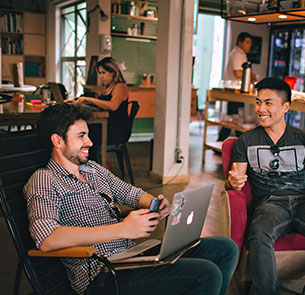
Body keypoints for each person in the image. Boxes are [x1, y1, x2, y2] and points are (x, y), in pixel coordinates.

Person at [24, 103, 239, 295]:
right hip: (101, 274)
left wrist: (155, 204)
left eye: (87, 134)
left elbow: (130, 193)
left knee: (225, 248)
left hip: (130, 257)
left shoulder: (92, 170)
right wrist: (122, 229)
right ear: (57, 140)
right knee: (206, 274)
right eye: (81, 136)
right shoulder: (44, 179)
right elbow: (47, 239)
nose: (89, 141)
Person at [226, 77, 305, 295]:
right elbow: (236, 177)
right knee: (260, 233)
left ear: (285, 107)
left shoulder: (304, 139)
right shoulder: (247, 140)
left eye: (268, 103)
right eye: (258, 102)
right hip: (270, 203)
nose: (261, 109)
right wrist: (233, 182)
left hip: (304, 201)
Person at [72, 57, 130, 161]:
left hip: (115, 130)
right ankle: (85, 165)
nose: (101, 76)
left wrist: (90, 100)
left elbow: (113, 105)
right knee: (83, 132)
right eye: (100, 73)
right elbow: (103, 104)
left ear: (112, 72)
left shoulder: (120, 86)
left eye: (103, 73)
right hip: (108, 125)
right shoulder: (109, 87)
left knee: (87, 135)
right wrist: (84, 101)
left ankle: (92, 167)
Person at [217, 32, 256, 142]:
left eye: (250, 43)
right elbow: (238, 73)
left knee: (235, 120)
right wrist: (252, 75)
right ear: (240, 42)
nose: (250, 45)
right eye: (247, 42)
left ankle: (231, 144)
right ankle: (222, 143)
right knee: (235, 121)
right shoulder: (237, 54)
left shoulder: (240, 54)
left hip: (237, 92)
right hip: (235, 92)